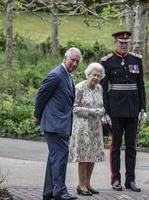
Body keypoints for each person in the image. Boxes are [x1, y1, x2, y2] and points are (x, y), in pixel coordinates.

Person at [100, 31, 147, 192]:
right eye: (121, 42)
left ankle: (130, 180)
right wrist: (105, 111)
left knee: (131, 147)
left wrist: (143, 108)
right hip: (115, 110)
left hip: (133, 109)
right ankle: (116, 180)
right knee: (116, 146)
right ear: (115, 43)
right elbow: (103, 88)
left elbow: (140, 86)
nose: (123, 45)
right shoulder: (107, 61)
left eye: (126, 42)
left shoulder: (136, 60)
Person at [34, 47, 82, 200]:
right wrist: (37, 116)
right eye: (72, 60)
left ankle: (49, 191)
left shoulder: (68, 75)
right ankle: (59, 191)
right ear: (64, 59)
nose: (74, 63)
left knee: (54, 157)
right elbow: (41, 95)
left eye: (77, 61)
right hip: (54, 124)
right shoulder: (56, 75)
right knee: (60, 156)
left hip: (61, 123)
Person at [69, 62, 105, 196]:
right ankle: (81, 185)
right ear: (88, 74)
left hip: (95, 126)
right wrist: (90, 111)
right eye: (94, 75)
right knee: (84, 156)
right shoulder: (79, 87)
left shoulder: (99, 88)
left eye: (99, 76)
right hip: (82, 126)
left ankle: (88, 184)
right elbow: (74, 108)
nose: (96, 78)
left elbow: (101, 104)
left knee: (93, 155)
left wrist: (101, 110)